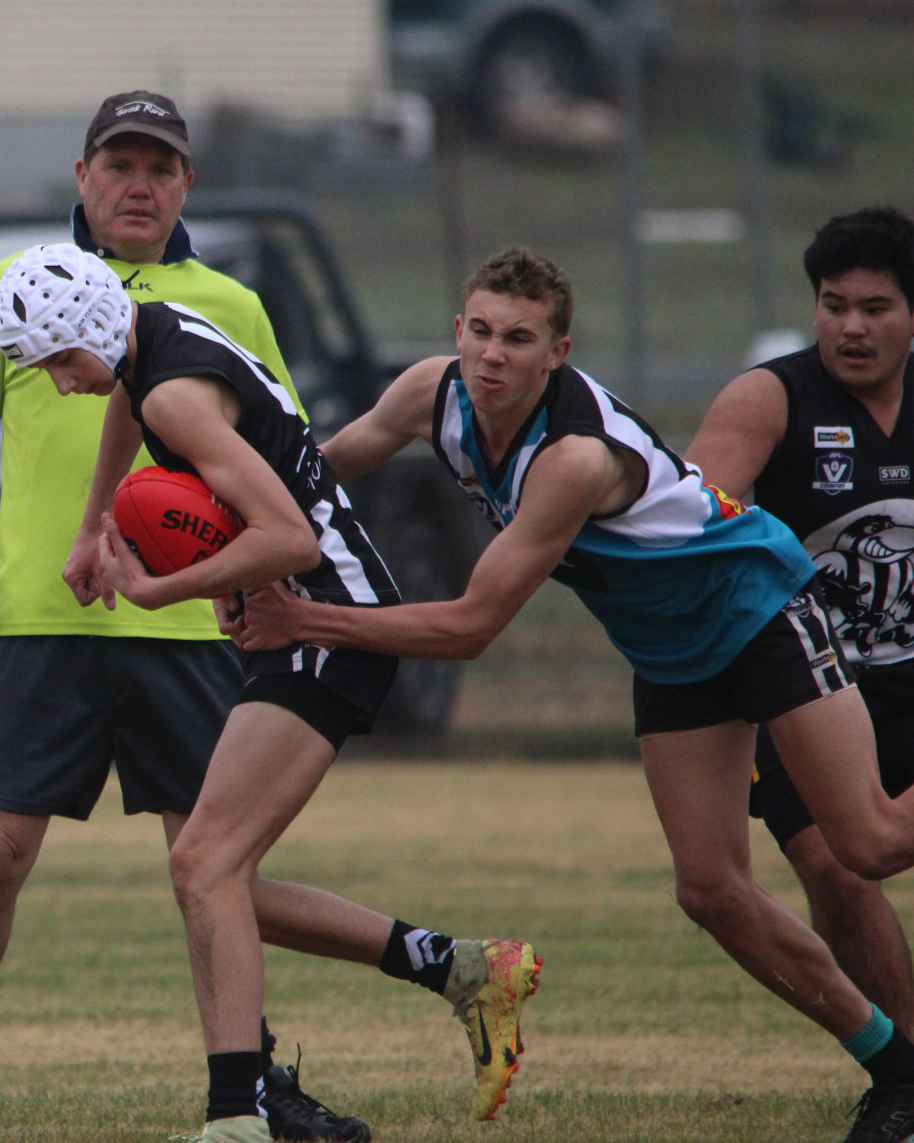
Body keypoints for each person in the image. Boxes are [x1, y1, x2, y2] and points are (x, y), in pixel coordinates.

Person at [0, 92, 535, 1143]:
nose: (138, 184)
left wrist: (162, 584)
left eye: (160, 167)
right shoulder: (37, 296)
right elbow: (60, 418)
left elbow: (283, 495)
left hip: (233, 626)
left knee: (211, 872)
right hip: (50, 623)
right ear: (81, 174)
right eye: (118, 163)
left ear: (185, 182)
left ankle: (246, 1098)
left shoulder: (217, 305)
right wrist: (54, 540)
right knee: (54, 860)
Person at [237, 245, 914, 1143]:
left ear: (558, 352)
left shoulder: (574, 459)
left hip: (758, 611)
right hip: (671, 650)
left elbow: (472, 627)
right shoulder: (430, 392)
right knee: (710, 890)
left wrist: (304, 619)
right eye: (480, 331)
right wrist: (228, 510)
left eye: (519, 339)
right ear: (457, 331)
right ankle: (898, 1068)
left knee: (865, 842)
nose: (493, 356)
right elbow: (323, 467)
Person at [0, 244, 541, 1143]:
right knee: (214, 871)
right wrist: (97, 525)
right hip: (302, 616)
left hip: (328, 619)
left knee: (203, 864)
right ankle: (462, 969)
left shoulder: (169, 387)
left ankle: (237, 1116)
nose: (61, 384)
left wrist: (159, 587)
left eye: (61, 362)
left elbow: (287, 536)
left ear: (93, 328)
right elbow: (128, 406)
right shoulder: (153, 341)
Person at [686, 207, 914, 1039]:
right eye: (833, 303)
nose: (850, 326)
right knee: (835, 868)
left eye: (875, 307)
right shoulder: (768, 399)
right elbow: (694, 527)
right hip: (809, 685)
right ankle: (909, 1068)